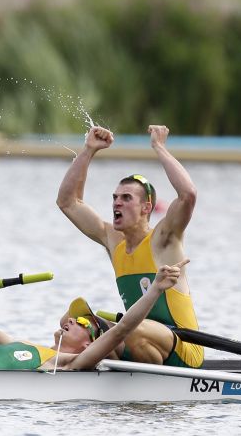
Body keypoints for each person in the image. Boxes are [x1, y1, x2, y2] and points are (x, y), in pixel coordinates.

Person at [55, 125, 203, 368]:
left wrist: (159, 147)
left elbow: (188, 194)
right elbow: (68, 202)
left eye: (126, 198)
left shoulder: (164, 238)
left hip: (184, 350)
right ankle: (65, 367)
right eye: (115, 197)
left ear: (146, 208)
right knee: (73, 323)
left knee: (129, 329)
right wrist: (89, 150)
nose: (117, 203)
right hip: (138, 339)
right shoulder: (111, 239)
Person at [0, 260, 189, 370]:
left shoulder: (67, 364)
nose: (72, 320)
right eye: (72, 318)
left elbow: (122, 329)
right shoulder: (20, 344)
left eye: (84, 322)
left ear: (90, 345)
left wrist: (155, 291)